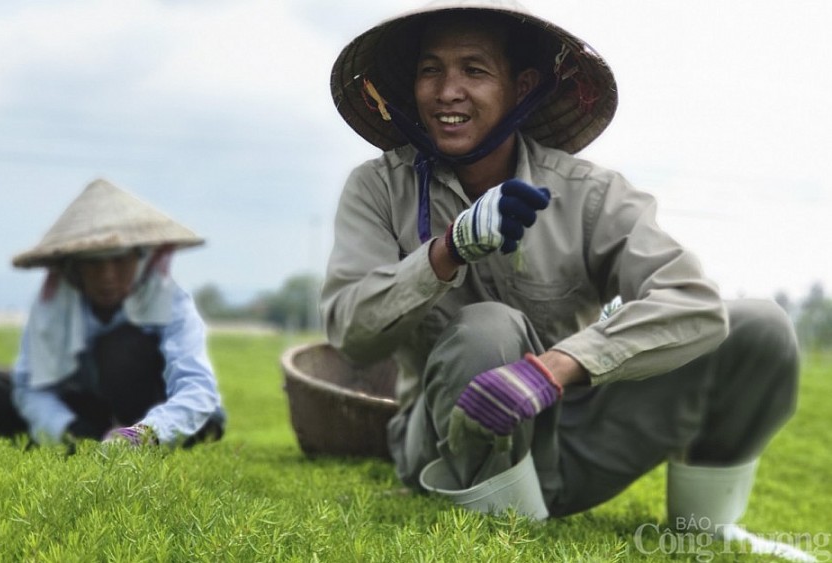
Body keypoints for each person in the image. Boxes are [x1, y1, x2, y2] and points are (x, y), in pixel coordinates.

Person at [322, 1, 812, 560]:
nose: (447, 91)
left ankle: (705, 525)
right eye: (430, 70)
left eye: (474, 71)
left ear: (521, 87)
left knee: (760, 329)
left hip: (573, 437)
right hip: (447, 440)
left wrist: (556, 369)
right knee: (487, 327)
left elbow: (692, 302)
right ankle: (501, 525)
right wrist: (446, 250)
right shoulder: (377, 188)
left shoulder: (589, 194)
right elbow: (351, 335)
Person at [0, 178, 225, 448]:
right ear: (74, 268)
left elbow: (197, 389)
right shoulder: (53, 303)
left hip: (160, 412)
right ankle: (91, 440)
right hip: (90, 406)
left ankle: (128, 440)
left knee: (119, 349)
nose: (107, 276)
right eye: (94, 264)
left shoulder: (171, 300)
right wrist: (68, 430)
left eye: (119, 260)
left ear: (139, 257)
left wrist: (142, 435)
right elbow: (29, 386)